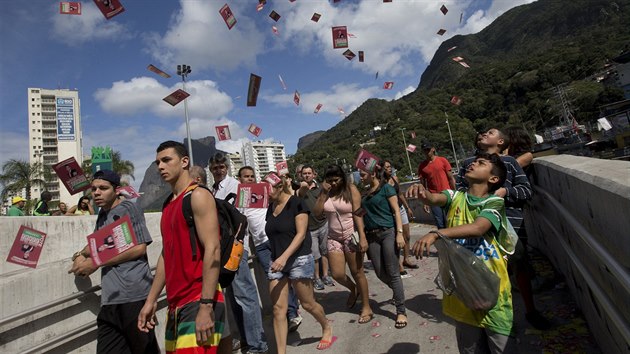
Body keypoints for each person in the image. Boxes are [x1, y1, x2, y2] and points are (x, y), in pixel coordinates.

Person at [408, 152, 513, 353]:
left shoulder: (493, 203)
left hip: (492, 287)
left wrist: (436, 233)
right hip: (463, 288)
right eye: (474, 161)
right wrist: (423, 193)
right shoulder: (454, 196)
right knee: (469, 348)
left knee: (501, 345)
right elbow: (434, 198)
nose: (473, 164)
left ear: (493, 179)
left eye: (481, 163)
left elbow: (478, 227)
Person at [138, 141, 231, 354]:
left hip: (199, 299)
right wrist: (151, 301)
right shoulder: (169, 204)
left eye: (166, 160)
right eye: (157, 162)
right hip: (175, 304)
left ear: (184, 162)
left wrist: (206, 307)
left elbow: (213, 250)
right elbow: (165, 255)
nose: (160, 166)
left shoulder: (198, 196)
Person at [457, 128, 550, 330]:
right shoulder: (468, 165)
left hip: (512, 224)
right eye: (481, 134)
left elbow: (526, 190)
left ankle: (530, 310)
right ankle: (497, 318)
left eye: (489, 132)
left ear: (501, 142)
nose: (482, 134)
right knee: (489, 272)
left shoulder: (510, 163)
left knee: (520, 267)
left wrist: (505, 191)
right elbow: (459, 193)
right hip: (480, 225)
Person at [68, 170, 159, 353]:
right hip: (110, 299)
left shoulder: (129, 209)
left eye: (103, 188)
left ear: (116, 190)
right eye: (94, 189)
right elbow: (100, 245)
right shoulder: (102, 214)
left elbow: (139, 248)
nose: (97, 193)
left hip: (134, 296)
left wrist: (96, 263)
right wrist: (80, 254)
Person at [265, 172, 334, 353]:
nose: (265, 192)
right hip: (277, 261)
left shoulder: (296, 203)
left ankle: (326, 326)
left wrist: (284, 258)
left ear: (279, 187)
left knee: (308, 304)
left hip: (298, 259)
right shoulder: (269, 207)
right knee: (279, 309)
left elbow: (301, 234)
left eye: (268, 187)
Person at [209, 153, 268, 354]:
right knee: (233, 298)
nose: (218, 170)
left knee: (245, 294)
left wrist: (238, 241)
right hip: (222, 250)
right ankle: (244, 339)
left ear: (227, 168)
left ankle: (258, 345)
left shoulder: (236, 186)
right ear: (211, 169)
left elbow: (243, 216)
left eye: (221, 167)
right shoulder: (213, 190)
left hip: (235, 248)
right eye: (215, 167)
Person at [237, 166, 303, 333]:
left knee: (285, 275)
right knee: (276, 277)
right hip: (260, 245)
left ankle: (292, 312)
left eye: (252, 176)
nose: (250, 179)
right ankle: (290, 311)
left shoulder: (267, 191)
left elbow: (283, 199)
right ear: (240, 180)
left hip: (274, 239)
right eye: (246, 177)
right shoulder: (242, 198)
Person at [312, 164, 374, 324]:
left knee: (357, 272)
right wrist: (323, 193)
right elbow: (317, 213)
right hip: (333, 237)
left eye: (336, 180)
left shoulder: (350, 189)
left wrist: (362, 236)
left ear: (342, 178)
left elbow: (358, 212)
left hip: (350, 235)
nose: (333, 183)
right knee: (337, 274)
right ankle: (353, 289)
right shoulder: (325, 192)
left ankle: (366, 306)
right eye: (329, 180)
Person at [359, 164, 408, 329]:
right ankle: (397, 291)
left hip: (388, 232)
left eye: (362, 173)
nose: (360, 176)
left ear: (373, 173)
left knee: (393, 272)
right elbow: (358, 214)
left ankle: (401, 310)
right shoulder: (364, 194)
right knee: (380, 272)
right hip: (372, 236)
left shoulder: (386, 188)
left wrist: (399, 233)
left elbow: (396, 211)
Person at [297, 165, 334, 290]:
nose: (307, 175)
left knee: (324, 252)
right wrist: (303, 187)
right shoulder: (300, 189)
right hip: (309, 228)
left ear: (314, 175)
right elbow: (300, 194)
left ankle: (325, 275)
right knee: (315, 255)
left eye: (309, 173)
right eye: (304, 173)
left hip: (323, 223)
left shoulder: (320, 188)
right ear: (301, 175)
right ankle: (316, 278)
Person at [382, 160, 418, 274]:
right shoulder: (381, 183)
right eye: (387, 167)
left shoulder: (395, 179)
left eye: (390, 166)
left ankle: (406, 259)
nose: (389, 168)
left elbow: (400, 194)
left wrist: (408, 208)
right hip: (390, 212)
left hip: (401, 209)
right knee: (396, 239)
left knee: (407, 235)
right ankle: (398, 264)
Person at [417, 143, 457, 229]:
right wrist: (425, 201)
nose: (427, 152)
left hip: (447, 195)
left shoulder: (443, 160)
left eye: (428, 149)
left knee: (451, 221)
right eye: (424, 150)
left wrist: (455, 193)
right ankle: (444, 241)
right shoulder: (422, 166)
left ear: (433, 149)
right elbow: (423, 186)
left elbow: (451, 178)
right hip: (433, 197)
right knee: (440, 223)